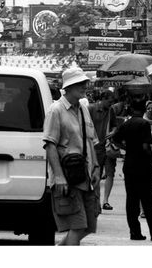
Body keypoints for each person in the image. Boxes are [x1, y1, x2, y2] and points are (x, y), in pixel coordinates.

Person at [43, 66, 101, 246]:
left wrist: (97, 167)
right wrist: (59, 176)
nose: (84, 86)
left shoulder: (83, 108)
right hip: (68, 178)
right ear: (68, 87)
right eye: (80, 83)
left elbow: (91, 141)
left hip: (86, 177)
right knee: (77, 225)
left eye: (85, 83)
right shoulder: (56, 110)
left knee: (89, 225)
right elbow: (50, 145)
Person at [111, 99, 152, 242]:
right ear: (142, 109)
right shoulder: (144, 124)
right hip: (142, 166)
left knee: (132, 201)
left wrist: (127, 148)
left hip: (129, 166)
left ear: (131, 110)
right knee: (149, 201)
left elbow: (115, 139)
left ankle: (135, 232)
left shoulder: (126, 124)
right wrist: (151, 156)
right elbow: (145, 147)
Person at [88, 88, 121, 211]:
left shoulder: (110, 110)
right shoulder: (90, 109)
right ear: (102, 99)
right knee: (96, 174)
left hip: (108, 146)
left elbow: (114, 125)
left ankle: (105, 201)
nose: (111, 104)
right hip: (95, 147)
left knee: (110, 173)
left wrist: (113, 132)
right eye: (109, 102)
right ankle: (95, 201)